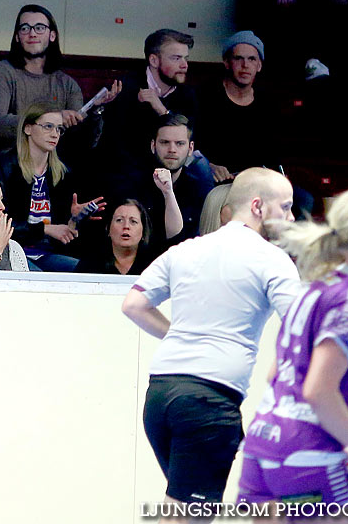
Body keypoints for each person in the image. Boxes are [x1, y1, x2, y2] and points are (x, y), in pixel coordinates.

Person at [122, 168, 301, 516]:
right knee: (188, 514)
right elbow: (300, 325)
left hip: (161, 397)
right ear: (259, 206)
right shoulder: (273, 260)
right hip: (209, 401)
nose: (291, 218)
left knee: (192, 508)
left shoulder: (185, 251)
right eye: (287, 208)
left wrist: (180, 336)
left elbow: (134, 304)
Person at [238, 188, 348, 509]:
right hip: (306, 450)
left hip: (261, 444)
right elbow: (318, 391)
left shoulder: (313, 289)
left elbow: (277, 372)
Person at [0, 4, 119, 148]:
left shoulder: (67, 84)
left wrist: (95, 110)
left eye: (39, 28)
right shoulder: (1, 72)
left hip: (56, 163)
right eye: (25, 28)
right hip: (11, 161)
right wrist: (53, 119)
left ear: (52, 35)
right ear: (17, 37)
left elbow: (84, 140)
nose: (32, 34)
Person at [0, 103, 102, 272]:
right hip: (12, 251)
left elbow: (63, 231)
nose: (54, 134)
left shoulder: (61, 173)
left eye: (58, 129)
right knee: (40, 277)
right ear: (28, 128)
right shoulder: (5, 167)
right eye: (48, 127)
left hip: (47, 253)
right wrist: (44, 229)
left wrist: (73, 219)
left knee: (85, 272)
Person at [97, 29, 198, 176]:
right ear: (154, 61)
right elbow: (114, 145)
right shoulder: (123, 88)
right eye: (176, 58)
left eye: (185, 58)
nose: (185, 65)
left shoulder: (187, 95)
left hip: (171, 171)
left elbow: (188, 140)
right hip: (127, 170)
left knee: (200, 168)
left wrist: (161, 109)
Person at [114, 114, 213, 253]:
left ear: (190, 148)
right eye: (165, 142)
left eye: (179, 143)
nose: (172, 149)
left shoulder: (198, 189)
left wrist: (168, 193)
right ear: (153, 145)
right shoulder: (132, 185)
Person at [191, 32, 278, 181]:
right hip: (211, 181)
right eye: (239, 58)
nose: (245, 65)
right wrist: (207, 166)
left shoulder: (266, 104)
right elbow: (188, 147)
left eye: (251, 59)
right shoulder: (204, 96)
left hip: (253, 184)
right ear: (226, 62)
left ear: (259, 66)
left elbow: (271, 157)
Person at [75, 199, 154, 275]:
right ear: (108, 228)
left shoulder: (154, 265)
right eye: (119, 220)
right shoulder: (90, 264)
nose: (126, 226)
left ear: (143, 232)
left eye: (133, 221)